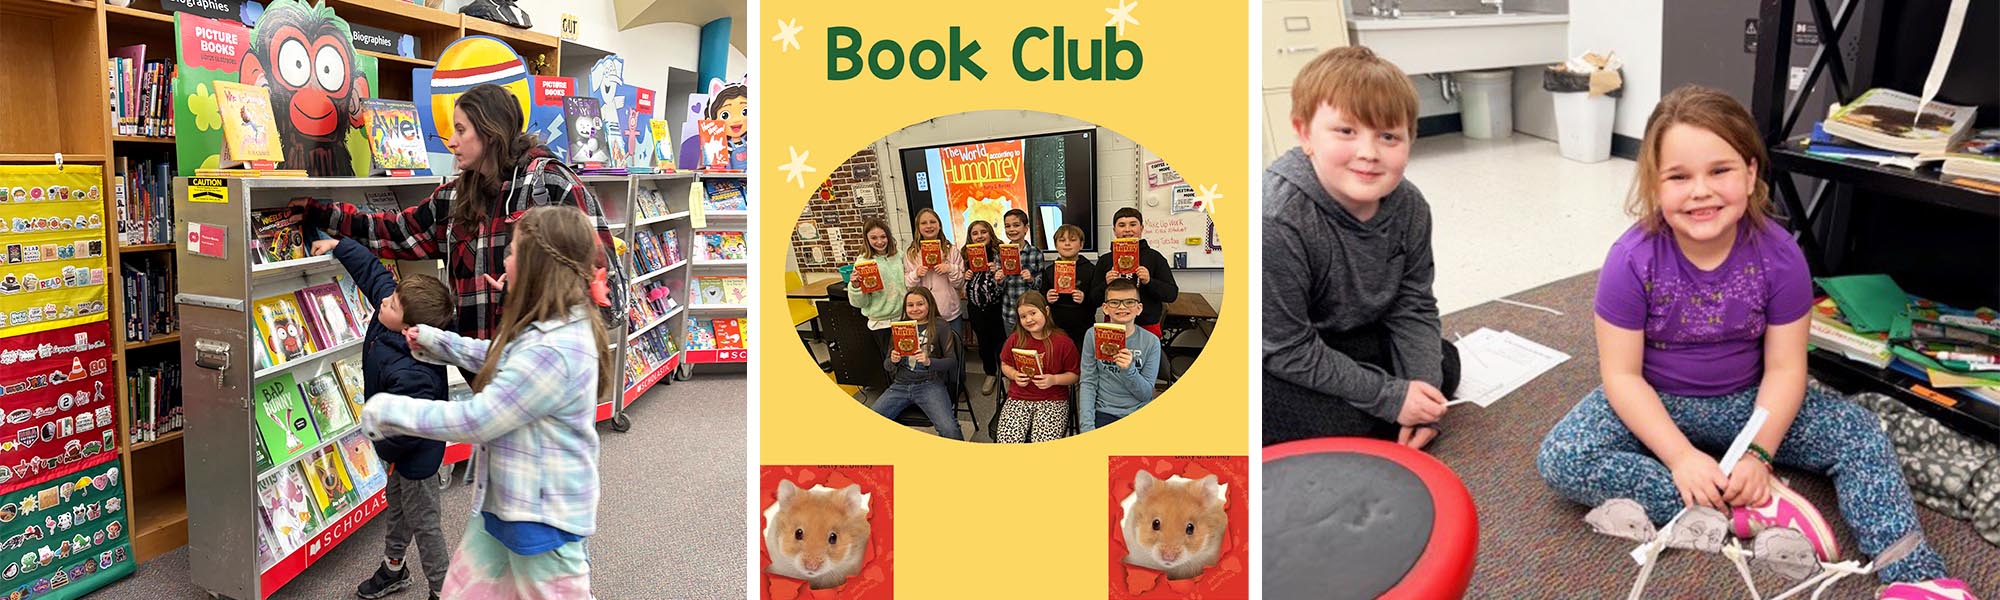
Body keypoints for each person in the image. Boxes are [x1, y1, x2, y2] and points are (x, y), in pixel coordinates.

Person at [1536, 86, 1977, 600]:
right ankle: (1746, 511)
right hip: (1657, 403)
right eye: (1678, 177)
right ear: (1655, 186)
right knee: (1562, 456)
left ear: (1750, 173)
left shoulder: (1780, 256)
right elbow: (1622, 376)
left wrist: (1761, 454)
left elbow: (1787, 369)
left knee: (1860, 433)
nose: (1700, 190)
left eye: (1719, 171)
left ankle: (1914, 574)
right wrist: (1679, 457)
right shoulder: (1630, 260)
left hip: (1750, 404)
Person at [361, 206, 613, 599]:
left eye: (512, 253)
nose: (504, 261)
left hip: (542, 518)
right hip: (506, 500)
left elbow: (478, 419)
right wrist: (436, 341)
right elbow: (498, 356)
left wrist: (391, 411)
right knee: (462, 591)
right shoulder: (547, 324)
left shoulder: (555, 348)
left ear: (536, 269)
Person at [292, 84, 625, 343]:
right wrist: (322, 214)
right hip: (479, 364)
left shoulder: (550, 184)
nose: (451, 141)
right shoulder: (455, 196)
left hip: (536, 371)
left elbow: (604, 282)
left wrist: (533, 295)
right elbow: (398, 231)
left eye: (461, 130)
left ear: (490, 131)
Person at [1262, 46, 1461, 451]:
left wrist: (1420, 392)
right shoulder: (1276, 219)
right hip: (1276, 350)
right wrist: (1391, 397)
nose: (1369, 153)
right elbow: (1286, 347)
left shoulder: (1410, 206)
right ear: (1305, 134)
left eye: (1388, 136)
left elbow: (1413, 303)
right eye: (1346, 132)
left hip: (1349, 334)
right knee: (1343, 424)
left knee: (1444, 366)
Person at [311, 237, 456, 600]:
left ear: (409, 329)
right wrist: (339, 244)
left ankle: (445, 590)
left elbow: (410, 430)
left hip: (416, 456)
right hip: (395, 450)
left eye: (391, 304)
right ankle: (394, 568)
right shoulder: (388, 316)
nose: (383, 301)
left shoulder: (415, 371)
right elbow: (372, 273)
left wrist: (381, 444)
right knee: (398, 509)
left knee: (425, 524)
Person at [869, 287, 964, 440]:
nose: (915, 309)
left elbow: (952, 362)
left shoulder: (940, 325)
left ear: (930, 305)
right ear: (905, 308)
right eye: (910, 305)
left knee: (949, 429)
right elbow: (887, 366)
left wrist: (929, 361)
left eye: (920, 304)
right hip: (900, 385)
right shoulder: (900, 326)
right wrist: (893, 360)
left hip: (930, 383)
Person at [1078, 279, 1161, 432]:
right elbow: (1088, 382)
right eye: (1114, 302)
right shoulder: (1092, 335)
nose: (1122, 307)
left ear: (1139, 308)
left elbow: (1146, 394)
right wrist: (1087, 427)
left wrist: (1129, 370)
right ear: (1105, 308)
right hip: (1104, 411)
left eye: (1129, 302)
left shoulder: (1151, 342)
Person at [997, 292, 1080, 443]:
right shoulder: (1015, 339)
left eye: (1033, 313)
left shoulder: (1063, 342)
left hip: (1053, 399)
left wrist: (1054, 379)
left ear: (1046, 311)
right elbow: (1004, 364)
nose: (1028, 319)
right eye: (1023, 316)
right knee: (1007, 440)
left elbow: (1074, 375)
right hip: (1019, 397)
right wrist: (1014, 374)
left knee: (1042, 441)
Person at [1101, 208, 1178, 338]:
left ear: (1141, 228)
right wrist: (1105, 283)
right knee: (1113, 358)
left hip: (1147, 325)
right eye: (1121, 225)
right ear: (1114, 230)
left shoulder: (1154, 258)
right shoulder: (1105, 260)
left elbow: (1171, 294)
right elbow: (1092, 299)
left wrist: (1150, 282)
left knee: (1148, 358)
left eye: (1133, 224)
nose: (1127, 229)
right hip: (1114, 324)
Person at [848, 218, 910, 355]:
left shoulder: (899, 255)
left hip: (904, 318)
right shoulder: (863, 263)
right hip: (882, 324)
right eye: (874, 238)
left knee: (910, 359)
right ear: (866, 239)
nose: (880, 241)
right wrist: (855, 286)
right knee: (891, 362)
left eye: (883, 237)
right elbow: (860, 303)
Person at [962, 220, 1009, 395]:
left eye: (984, 232)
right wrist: (965, 275)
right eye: (975, 233)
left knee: (1000, 342)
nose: (980, 236)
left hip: (996, 307)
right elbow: (962, 284)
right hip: (975, 308)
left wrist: (998, 270)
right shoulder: (967, 255)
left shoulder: (1000, 252)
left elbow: (1008, 278)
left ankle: (1005, 374)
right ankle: (990, 373)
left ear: (990, 234)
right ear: (970, 237)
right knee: (983, 344)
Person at [904, 207, 966, 337]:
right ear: (918, 227)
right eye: (924, 223)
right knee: (931, 351)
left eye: (932, 222)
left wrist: (950, 269)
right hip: (925, 315)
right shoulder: (912, 254)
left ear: (939, 225)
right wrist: (916, 274)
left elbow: (960, 283)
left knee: (955, 349)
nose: (929, 226)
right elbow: (909, 286)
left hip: (950, 312)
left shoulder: (951, 250)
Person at [1040, 224, 1102, 345]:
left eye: (1073, 240)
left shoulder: (1091, 269)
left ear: (1081, 244)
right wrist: (1047, 297)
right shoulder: (1049, 270)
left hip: (1083, 327)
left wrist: (1085, 299)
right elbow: (1041, 297)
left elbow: (1098, 299)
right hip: (1056, 327)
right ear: (1056, 245)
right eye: (1062, 240)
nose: (1067, 244)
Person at [998, 209, 1045, 335]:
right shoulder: (1000, 253)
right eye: (1007, 226)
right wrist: (999, 279)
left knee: (1033, 345)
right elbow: (998, 290)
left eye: (1016, 225)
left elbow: (1040, 285)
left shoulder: (1036, 253)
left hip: (1031, 314)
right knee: (1014, 347)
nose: (1011, 229)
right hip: (1010, 313)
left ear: (1026, 228)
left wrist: (1031, 279)